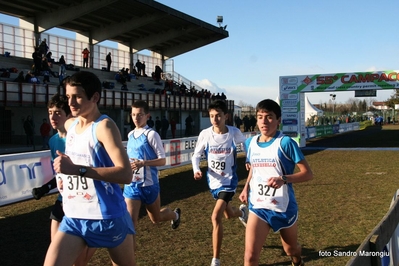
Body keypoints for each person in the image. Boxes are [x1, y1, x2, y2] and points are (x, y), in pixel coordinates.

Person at [44, 71, 136, 266]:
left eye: (78, 96)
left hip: (107, 217)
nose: (71, 103)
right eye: (68, 97)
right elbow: (63, 123)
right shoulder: (71, 124)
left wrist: (77, 169)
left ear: (95, 97)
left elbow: (126, 174)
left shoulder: (104, 127)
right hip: (74, 217)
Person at [239, 99, 313, 266]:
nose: (264, 121)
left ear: (278, 120)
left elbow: (308, 174)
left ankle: (298, 261)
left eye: (269, 117)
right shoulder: (250, 143)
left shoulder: (286, 143)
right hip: (258, 206)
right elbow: (254, 168)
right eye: (260, 117)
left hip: (283, 207)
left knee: (291, 250)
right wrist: (245, 188)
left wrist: (284, 179)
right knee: (250, 257)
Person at [32, 93, 96, 266]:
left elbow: (88, 171)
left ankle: (97, 240)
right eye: (50, 112)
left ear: (69, 116)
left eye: (58, 112)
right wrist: (46, 188)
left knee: (78, 262)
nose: (53, 117)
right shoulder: (53, 141)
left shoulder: (79, 138)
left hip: (82, 203)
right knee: (57, 253)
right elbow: (61, 173)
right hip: (62, 201)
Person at [191, 100, 247, 266]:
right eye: (212, 116)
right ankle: (242, 213)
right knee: (228, 214)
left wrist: (249, 159)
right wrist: (196, 170)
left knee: (216, 216)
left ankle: (216, 260)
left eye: (218, 116)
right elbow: (196, 155)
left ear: (226, 116)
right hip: (213, 182)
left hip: (229, 181)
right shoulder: (205, 134)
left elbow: (246, 145)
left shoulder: (234, 133)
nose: (215, 119)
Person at [123, 100, 181, 246]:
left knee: (156, 219)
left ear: (147, 115)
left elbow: (162, 160)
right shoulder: (130, 135)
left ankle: (175, 215)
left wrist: (144, 163)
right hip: (132, 186)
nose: (136, 118)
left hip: (149, 185)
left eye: (140, 115)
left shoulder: (151, 135)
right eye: (134, 115)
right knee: (130, 224)